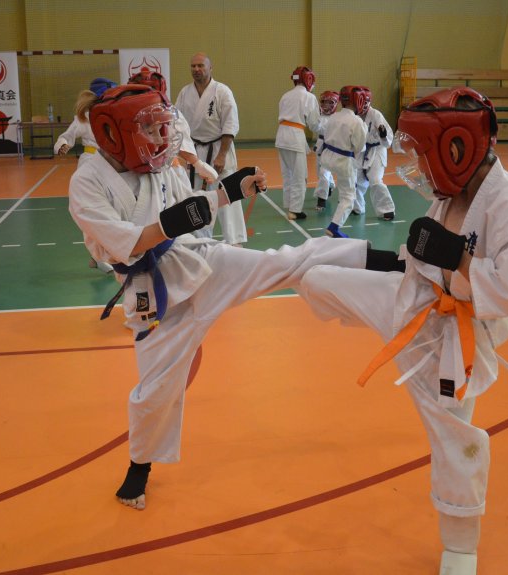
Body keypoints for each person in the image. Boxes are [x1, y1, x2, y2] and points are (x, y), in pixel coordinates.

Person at [68, 84, 402, 511]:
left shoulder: (158, 165)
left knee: (287, 261)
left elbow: (191, 207)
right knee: (154, 390)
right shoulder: (87, 183)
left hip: (199, 263)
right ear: (114, 135)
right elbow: (129, 243)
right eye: (150, 130)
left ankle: (392, 261)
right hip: (154, 294)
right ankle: (139, 467)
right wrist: (178, 219)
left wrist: (230, 189)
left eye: (161, 127)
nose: (160, 137)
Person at [299, 87, 508, 574]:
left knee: (454, 437)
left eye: (422, 154)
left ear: (456, 148)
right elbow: (421, 259)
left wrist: (456, 256)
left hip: (457, 339)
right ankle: (267, 272)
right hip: (414, 303)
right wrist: (383, 261)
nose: (418, 166)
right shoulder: (454, 193)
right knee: (316, 278)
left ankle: (460, 550)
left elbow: (507, 290)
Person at [175, 52, 247, 246]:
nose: (196, 69)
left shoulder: (222, 91)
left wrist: (221, 155)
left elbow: (230, 125)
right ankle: (201, 240)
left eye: (201, 66)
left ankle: (234, 240)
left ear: (210, 68)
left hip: (219, 147)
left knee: (228, 192)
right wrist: (186, 154)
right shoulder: (185, 93)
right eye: (193, 66)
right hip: (196, 151)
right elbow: (178, 123)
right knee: (197, 195)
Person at [54, 77, 117, 273]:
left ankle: (102, 254)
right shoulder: (85, 117)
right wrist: (62, 144)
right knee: (91, 209)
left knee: (112, 209)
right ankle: (97, 256)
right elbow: (67, 136)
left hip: (111, 164)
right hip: (91, 163)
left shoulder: (114, 113)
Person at [128, 70, 218, 189]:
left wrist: (198, 165)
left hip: (161, 168)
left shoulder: (168, 113)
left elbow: (178, 141)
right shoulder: (125, 114)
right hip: (133, 171)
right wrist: (198, 164)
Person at [320, 85, 368, 238]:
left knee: (343, 188)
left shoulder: (333, 116)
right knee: (349, 196)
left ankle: (329, 192)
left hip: (327, 158)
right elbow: (359, 147)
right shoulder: (356, 121)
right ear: (358, 101)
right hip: (343, 161)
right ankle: (334, 227)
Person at [275, 66, 321, 220]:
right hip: (295, 137)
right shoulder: (309, 97)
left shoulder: (285, 96)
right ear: (309, 80)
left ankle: (289, 204)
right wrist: (324, 126)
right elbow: (314, 124)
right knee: (300, 176)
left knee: (288, 173)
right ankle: (295, 210)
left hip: (281, 136)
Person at [352, 87, 396, 220]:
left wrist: (383, 135)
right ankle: (357, 207)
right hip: (361, 150)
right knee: (355, 181)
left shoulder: (376, 115)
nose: (363, 105)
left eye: (365, 102)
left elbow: (388, 142)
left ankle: (387, 210)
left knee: (375, 180)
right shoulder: (353, 115)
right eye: (360, 102)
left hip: (377, 150)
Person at [313, 90, 339, 212]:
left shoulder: (338, 118)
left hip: (331, 147)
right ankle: (330, 186)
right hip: (320, 146)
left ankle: (321, 200)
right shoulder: (318, 116)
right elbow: (315, 128)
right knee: (320, 174)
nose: (326, 105)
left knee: (324, 173)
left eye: (330, 103)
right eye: (324, 102)